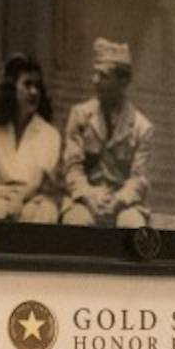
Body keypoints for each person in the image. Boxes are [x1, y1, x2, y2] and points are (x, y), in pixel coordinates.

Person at [61, 38, 154, 229]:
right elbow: (72, 168)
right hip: (85, 199)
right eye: (95, 73)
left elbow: (139, 178)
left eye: (103, 75)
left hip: (124, 204)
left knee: (132, 226)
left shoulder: (142, 127)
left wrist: (118, 201)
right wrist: (88, 195)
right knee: (77, 222)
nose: (95, 80)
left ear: (123, 81)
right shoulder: (80, 116)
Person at [0, 55, 62, 224]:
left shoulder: (50, 135)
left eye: (37, 86)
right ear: (12, 88)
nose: (34, 92)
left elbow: (37, 182)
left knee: (38, 215)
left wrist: (18, 200)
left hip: (36, 200)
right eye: (27, 84)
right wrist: (6, 198)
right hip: (1, 197)